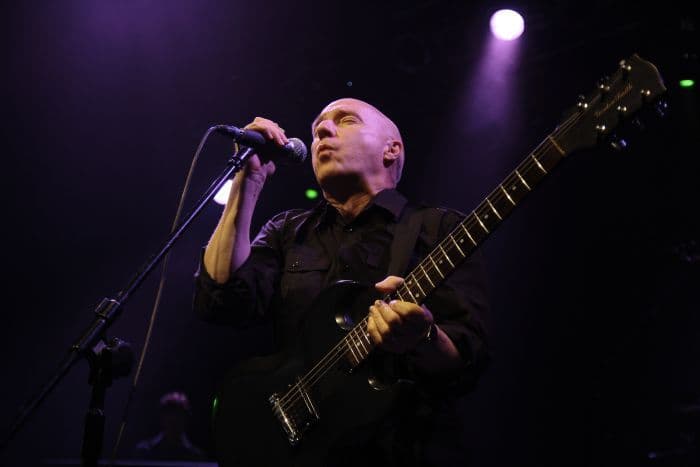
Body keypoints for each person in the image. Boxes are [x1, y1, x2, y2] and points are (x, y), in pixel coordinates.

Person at [193, 98, 490, 466]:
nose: (322, 130)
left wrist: (424, 336)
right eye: (317, 127)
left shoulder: (440, 229)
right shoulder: (288, 230)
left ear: (391, 149)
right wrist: (248, 180)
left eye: (345, 120)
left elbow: (467, 359)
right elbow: (220, 300)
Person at [133, 391, 206, 461]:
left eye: (178, 414)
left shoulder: (195, 456)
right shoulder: (144, 451)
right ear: (161, 417)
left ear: (186, 418)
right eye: (169, 413)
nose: (174, 418)